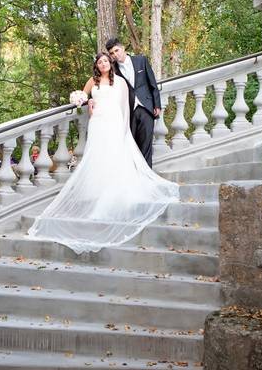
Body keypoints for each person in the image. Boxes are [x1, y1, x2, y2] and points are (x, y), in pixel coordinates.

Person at [27, 52, 178, 254]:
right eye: (100, 62)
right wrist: (86, 101)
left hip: (115, 123)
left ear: (110, 63)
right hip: (98, 123)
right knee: (98, 158)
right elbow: (83, 97)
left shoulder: (121, 83)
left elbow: (125, 107)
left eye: (106, 60)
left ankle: (112, 197)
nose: (103, 64)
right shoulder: (92, 81)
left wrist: (125, 129)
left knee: (114, 158)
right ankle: (97, 193)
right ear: (96, 66)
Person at [106, 37, 161, 167]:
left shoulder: (141, 60)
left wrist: (157, 104)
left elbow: (152, 83)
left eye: (116, 50)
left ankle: (147, 176)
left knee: (146, 145)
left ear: (123, 48)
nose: (115, 55)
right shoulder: (113, 70)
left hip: (146, 107)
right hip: (128, 112)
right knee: (132, 147)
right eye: (112, 53)